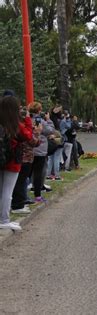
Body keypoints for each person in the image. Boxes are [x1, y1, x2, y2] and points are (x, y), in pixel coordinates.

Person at [0, 95, 33, 231]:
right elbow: (29, 136)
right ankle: (4, 220)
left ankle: (2, 218)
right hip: (12, 161)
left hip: (1, 159)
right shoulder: (16, 125)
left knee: (1, 190)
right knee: (8, 191)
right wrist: (27, 118)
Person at [11, 105, 42, 214]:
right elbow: (33, 141)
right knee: (20, 182)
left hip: (22, 157)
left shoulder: (15, 125)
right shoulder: (22, 127)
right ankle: (17, 204)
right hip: (25, 157)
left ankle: (21, 201)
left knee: (22, 181)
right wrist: (37, 133)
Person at [30, 103, 55, 202]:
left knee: (27, 173)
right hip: (40, 150)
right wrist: (48, 119)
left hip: (29, 149)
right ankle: (38, 195)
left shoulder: (27, 119)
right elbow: (50, 130)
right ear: (39, 110)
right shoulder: (41, 121)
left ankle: (24, 193)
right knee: (38, 173)